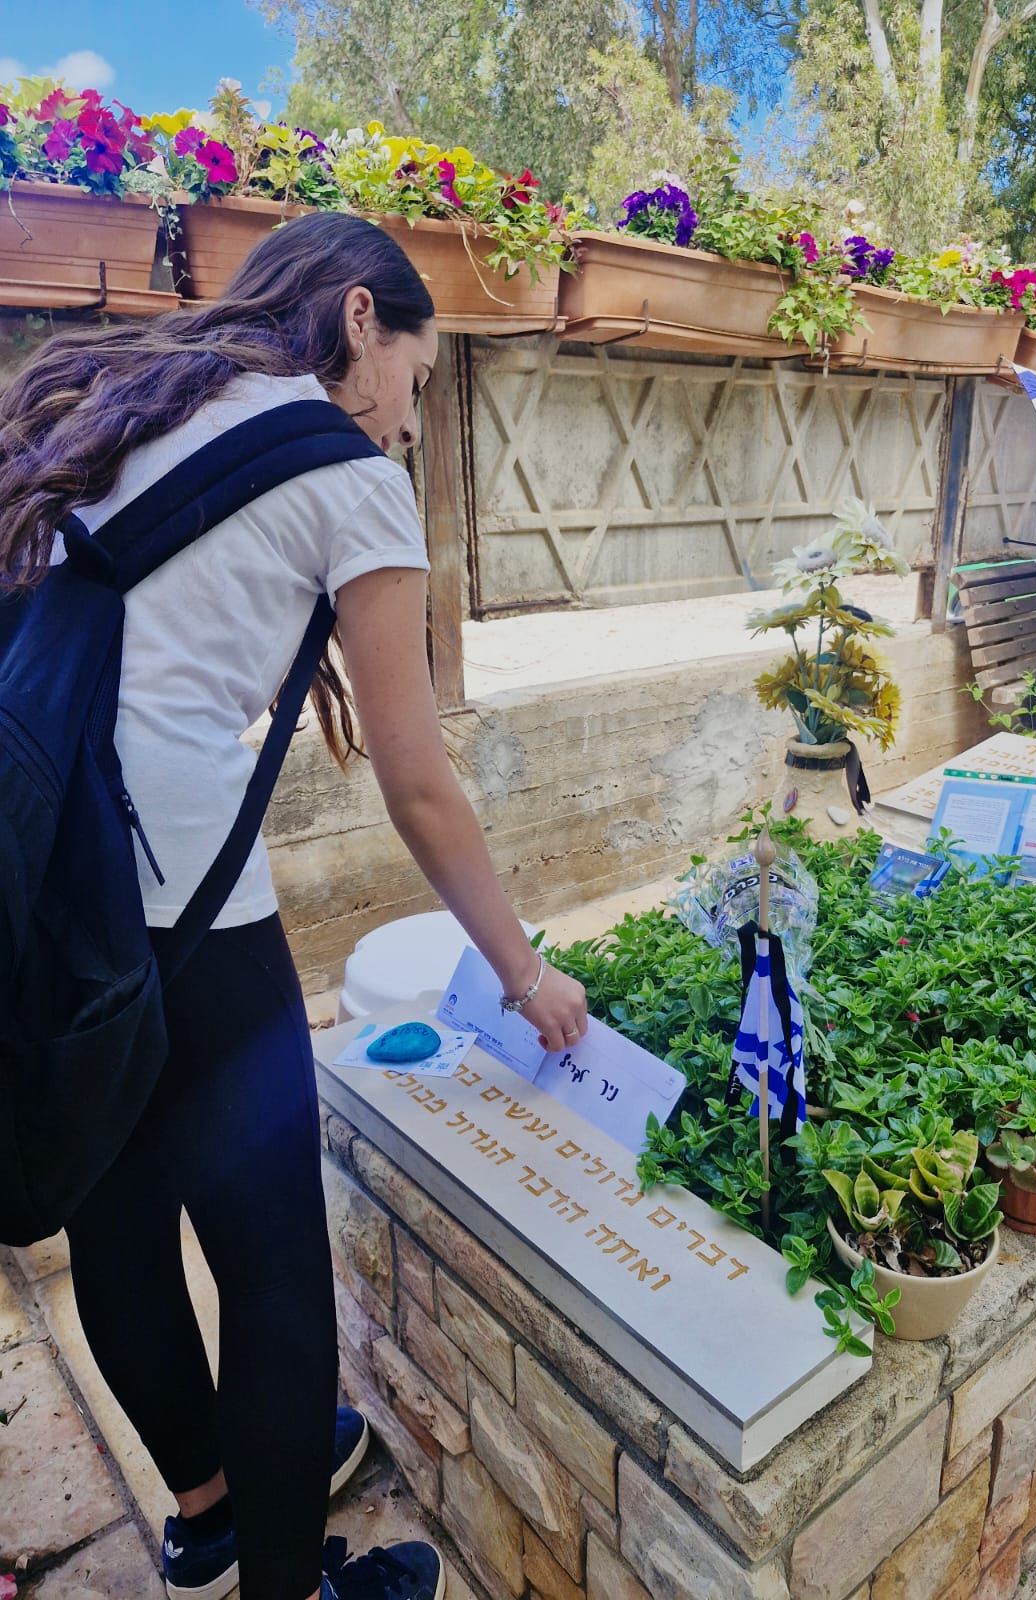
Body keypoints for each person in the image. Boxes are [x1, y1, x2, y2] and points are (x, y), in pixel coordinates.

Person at [0, 212, 588, 1600]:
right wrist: (524, 975)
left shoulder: (134, 399)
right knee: (273, 1275)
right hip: (190, 919)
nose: (406, 417)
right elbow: (420, 782)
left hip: (49, 881)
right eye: (419, 379)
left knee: (121, 1225)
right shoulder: (340, 469)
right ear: (361, 324)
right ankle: (291, 1583)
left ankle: (206, 1505)